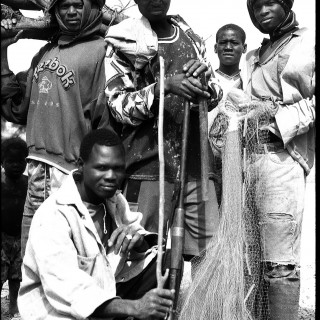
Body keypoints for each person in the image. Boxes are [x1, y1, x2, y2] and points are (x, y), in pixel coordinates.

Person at [104, 0, 223, 264]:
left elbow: (215, 91)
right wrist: (165, 87)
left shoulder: (188, 33)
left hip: (196, 168)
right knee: (139, 255)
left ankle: (195, 307)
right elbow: (118, 106)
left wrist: (202, 84)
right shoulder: (123, 38)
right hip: (147, 168)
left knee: (207, 257)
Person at [18, 128, 174, 319]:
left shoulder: (114, 201)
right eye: (101, 168)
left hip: (102, 299)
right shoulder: (53, 215)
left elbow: (140, 241)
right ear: (82, 165)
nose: (111, 176)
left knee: (168, 262)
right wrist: (134, 307)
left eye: (117, 168)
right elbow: (67, 288)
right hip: (59, 312)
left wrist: (138, 242)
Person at [1, 0, 110, 258]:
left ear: (93, 7)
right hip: (37, 172)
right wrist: (3, 50)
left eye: (77, 4)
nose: (71, 12)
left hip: (71, 175)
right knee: (33, 267)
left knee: (68, 268)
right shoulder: (46, 53)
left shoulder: (102, 51)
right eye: (63, 6)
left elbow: (104, 119)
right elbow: (16, 109)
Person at [242, 0, 315, 319]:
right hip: (247, 160)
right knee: (251, 260)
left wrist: (279, 123)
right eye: (255, 6)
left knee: (279, 262)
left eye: (270, 2)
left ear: (287, 4)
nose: (261, 11)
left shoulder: (307, 42)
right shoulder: (252, 56)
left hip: (281, 158)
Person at [208, 23, 247, 204]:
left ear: (244, 48)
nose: (228, 47)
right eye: (223, 43)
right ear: (215, 48)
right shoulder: (207, 81)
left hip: (241, 163)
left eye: (234, 43)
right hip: (208, 161)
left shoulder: (251, 83)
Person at [1, 137, 28, 318]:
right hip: (2, 238)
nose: (16, 165)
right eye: (11, 161)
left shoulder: (28, 183)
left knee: (16, 276)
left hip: (21, 237)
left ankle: (14, 307)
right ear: (2, 162)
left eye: (21, 161)